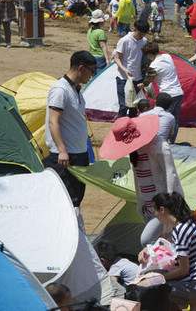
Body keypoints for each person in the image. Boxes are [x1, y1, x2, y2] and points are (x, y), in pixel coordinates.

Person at [102, 106, 183, 246]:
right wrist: (140, 202)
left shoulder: (160, 147)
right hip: (148, 204)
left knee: (147, 240)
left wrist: (169, 204)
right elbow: (138, 178)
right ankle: (163, 266)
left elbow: (171, 174)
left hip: (163, 205)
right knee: (160, 242)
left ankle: (165, 265)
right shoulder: (135, 153)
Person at [139, 192, 196, 307]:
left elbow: (183, 269)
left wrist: (157, 278)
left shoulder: (180, 231)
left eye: (155, 211)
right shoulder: (187, 222)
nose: (155, 216)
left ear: (162, 210)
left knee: (154, 290)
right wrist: (147, 249)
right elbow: (165, 244)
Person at [43, 51, 97, 207]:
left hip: (79, 153)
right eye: (91, 71)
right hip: (66, 157)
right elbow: (53, 122)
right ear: (81, 68)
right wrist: (62, 151)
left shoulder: (76, 89)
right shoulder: (60, 90)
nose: (91, 76)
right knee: (67, 200)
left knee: (77, 198)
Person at [141, 42, 185, 142]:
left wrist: (140, 85)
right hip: (179, 92)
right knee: (175, 120)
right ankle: (171, 141)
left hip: (167, 95)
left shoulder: (155, 64)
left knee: (164, 119)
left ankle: (163, 141)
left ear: (149, 54)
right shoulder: (167, 56)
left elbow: (147, 81)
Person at [113, 19, 148, 118]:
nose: (141, 36)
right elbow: (116, 57)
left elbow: (146, 57)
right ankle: (119, 127)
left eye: (144, 34)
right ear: (134, 29)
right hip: (123, 77)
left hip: (137, 77)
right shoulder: (125, 40)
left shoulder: (144, 41)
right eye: (140, 33)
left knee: (134, 106)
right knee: (123, 106)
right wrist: (124, 69)